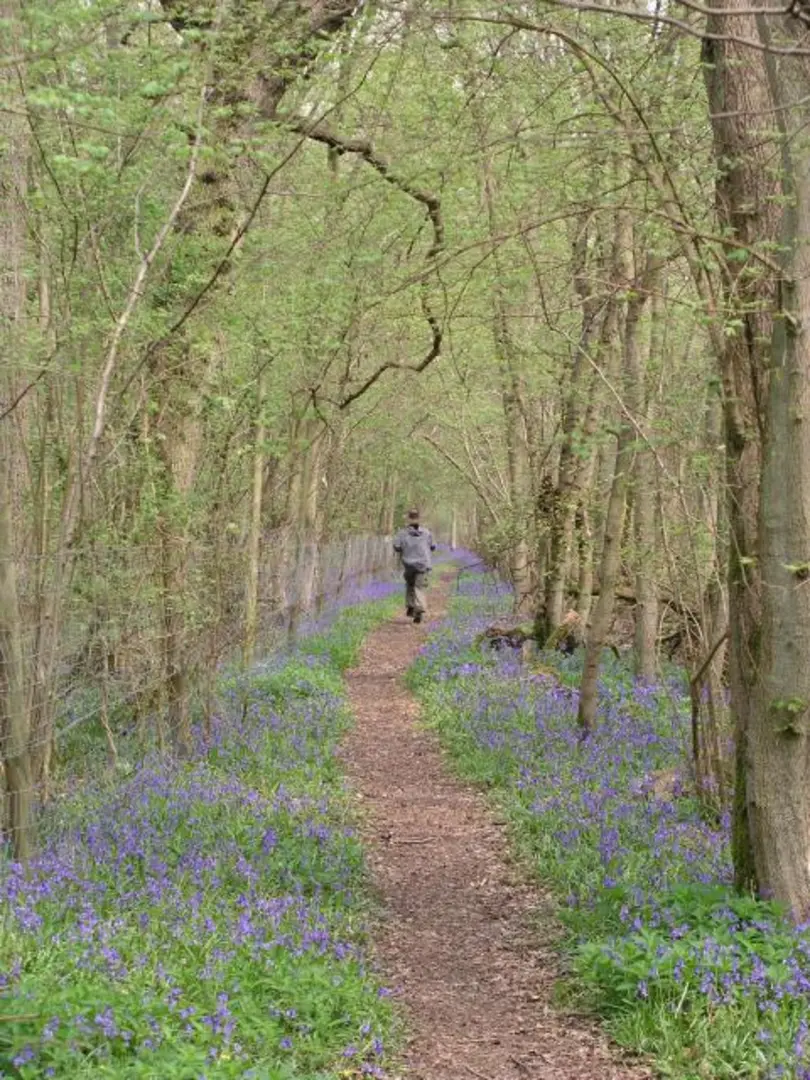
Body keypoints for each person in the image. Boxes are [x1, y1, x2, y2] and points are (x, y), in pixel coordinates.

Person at [393, 509, 436, 624]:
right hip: (423, 564)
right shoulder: (427, 533)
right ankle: (419, 609)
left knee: (410, 584)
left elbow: (396, 547)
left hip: (408, 564)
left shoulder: (402, 533)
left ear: (408, 519)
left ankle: (411, 606)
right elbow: (433, 546)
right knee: (419, 587)